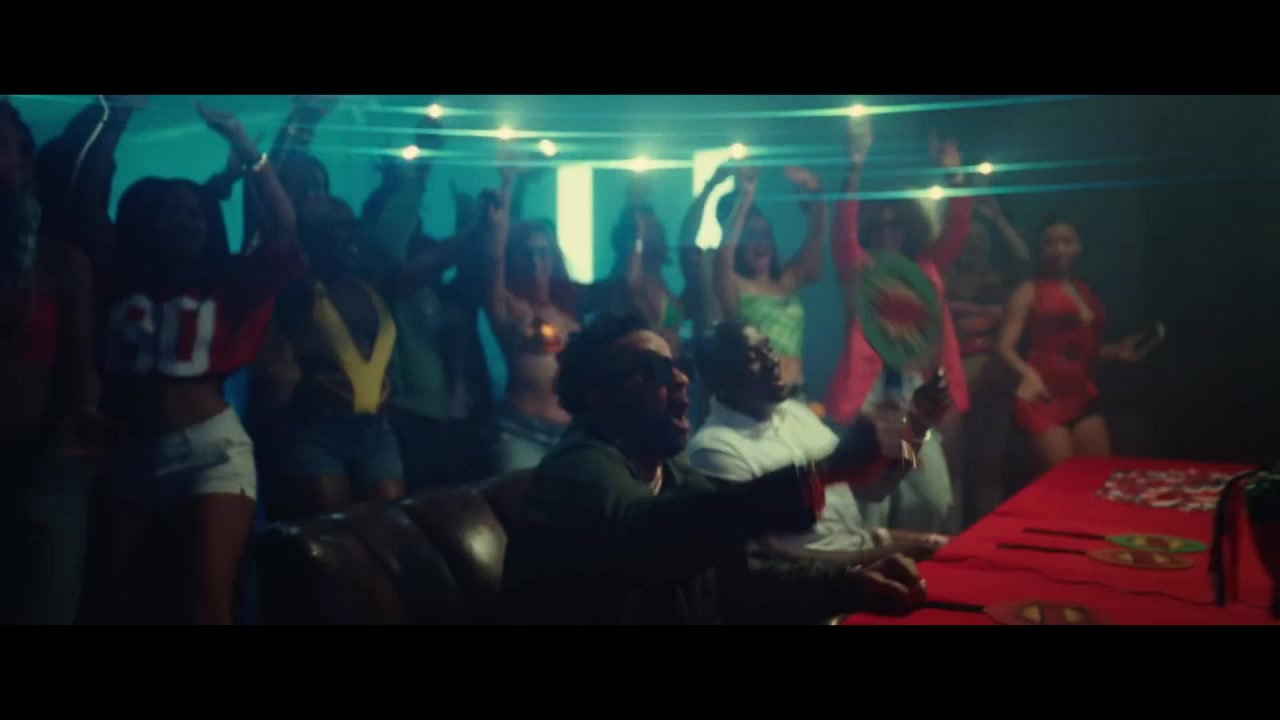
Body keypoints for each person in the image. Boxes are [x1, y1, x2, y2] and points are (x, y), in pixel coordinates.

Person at [503, 313, 929, 625]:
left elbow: (746, 578)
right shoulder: (576, 472)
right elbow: (656, 534)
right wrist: (826, 472)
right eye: (653, 370)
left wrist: (851, 583)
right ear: (599, 396)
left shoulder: (677, 468)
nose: (680, 380)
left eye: (677, 366)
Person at [96, 104, 302, 624]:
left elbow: (283, 226)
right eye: (173, 211)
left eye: (194, 212)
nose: (184, 220)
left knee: (207, 605)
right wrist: (112, 119)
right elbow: (85, 205)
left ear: (208, 224)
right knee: (120, 603)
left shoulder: (229, 282)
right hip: (129, 454)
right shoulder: (117, 275)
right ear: (151, 221)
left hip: (211, 452)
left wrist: (246, 148)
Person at [687, 321, 951, 563]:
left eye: (768, 349)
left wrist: (918, 427)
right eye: (752, 358)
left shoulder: (795, 413)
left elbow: (873, 489)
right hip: (830, 585)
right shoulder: (714, 449)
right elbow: (771, 560)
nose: (772, 361)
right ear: (720, 382)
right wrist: (884, 556)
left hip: (862, 553)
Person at [824, 122, 975, 534]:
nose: (886, 232)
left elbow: (958, 227)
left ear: (910, 226)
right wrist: (855, 166)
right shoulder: (861, 267)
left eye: (895, 225)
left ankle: (911, 557)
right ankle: (872, 566)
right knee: (871, 504)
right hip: (870, 399)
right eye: (879, 226)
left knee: (931, 499)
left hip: (913, 399)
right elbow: (843, 229)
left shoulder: (927, 265)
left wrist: (954, 175)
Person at [0, 100, 99, 624]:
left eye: (17, 148)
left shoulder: (61, 263)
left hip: (44, 464)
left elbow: (81, 367)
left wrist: (81, 427)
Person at [997, 218, 1154, 472]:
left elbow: (1078, 351)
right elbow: (1004, 347)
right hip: (1044, 398)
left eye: (1066, 242)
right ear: (1040, 249)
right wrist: (1029, 375)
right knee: (1064, 482)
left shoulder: (1083, 289)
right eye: (1050, 244)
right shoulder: (1028, 290)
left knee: (1098, 478)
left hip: (1082, 396)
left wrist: (1117, 351)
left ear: (1079, 246)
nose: (1059, 249)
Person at [481, 178, 581, 473]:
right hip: (521, 430)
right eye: (527, 254)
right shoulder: (513, 308)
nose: (536, 261)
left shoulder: (572, 311)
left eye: (542, 252)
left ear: (553, 258)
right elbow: (493, 261)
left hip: (571, 433)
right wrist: (508, 189)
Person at [948, 195, 1032, 524]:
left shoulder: (1001, 279)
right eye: (970, 240)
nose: (975, 247)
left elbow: (1025, 260)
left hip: (993, 375)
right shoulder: (946, 277)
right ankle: (951, 531)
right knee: (952, 458)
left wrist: (998, 219)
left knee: (988, 464)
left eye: (982, 241)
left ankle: (988, 526)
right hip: (952, 372)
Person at [714, 165, 827, 393]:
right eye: (750, 237)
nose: (760, 243)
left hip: (796, 391)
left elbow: (816, 236)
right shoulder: (735, 286)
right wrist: (746, 196)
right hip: (755, 397)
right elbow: (724, 254)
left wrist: (816, 190)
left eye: (765, 235)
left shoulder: (788, 281)